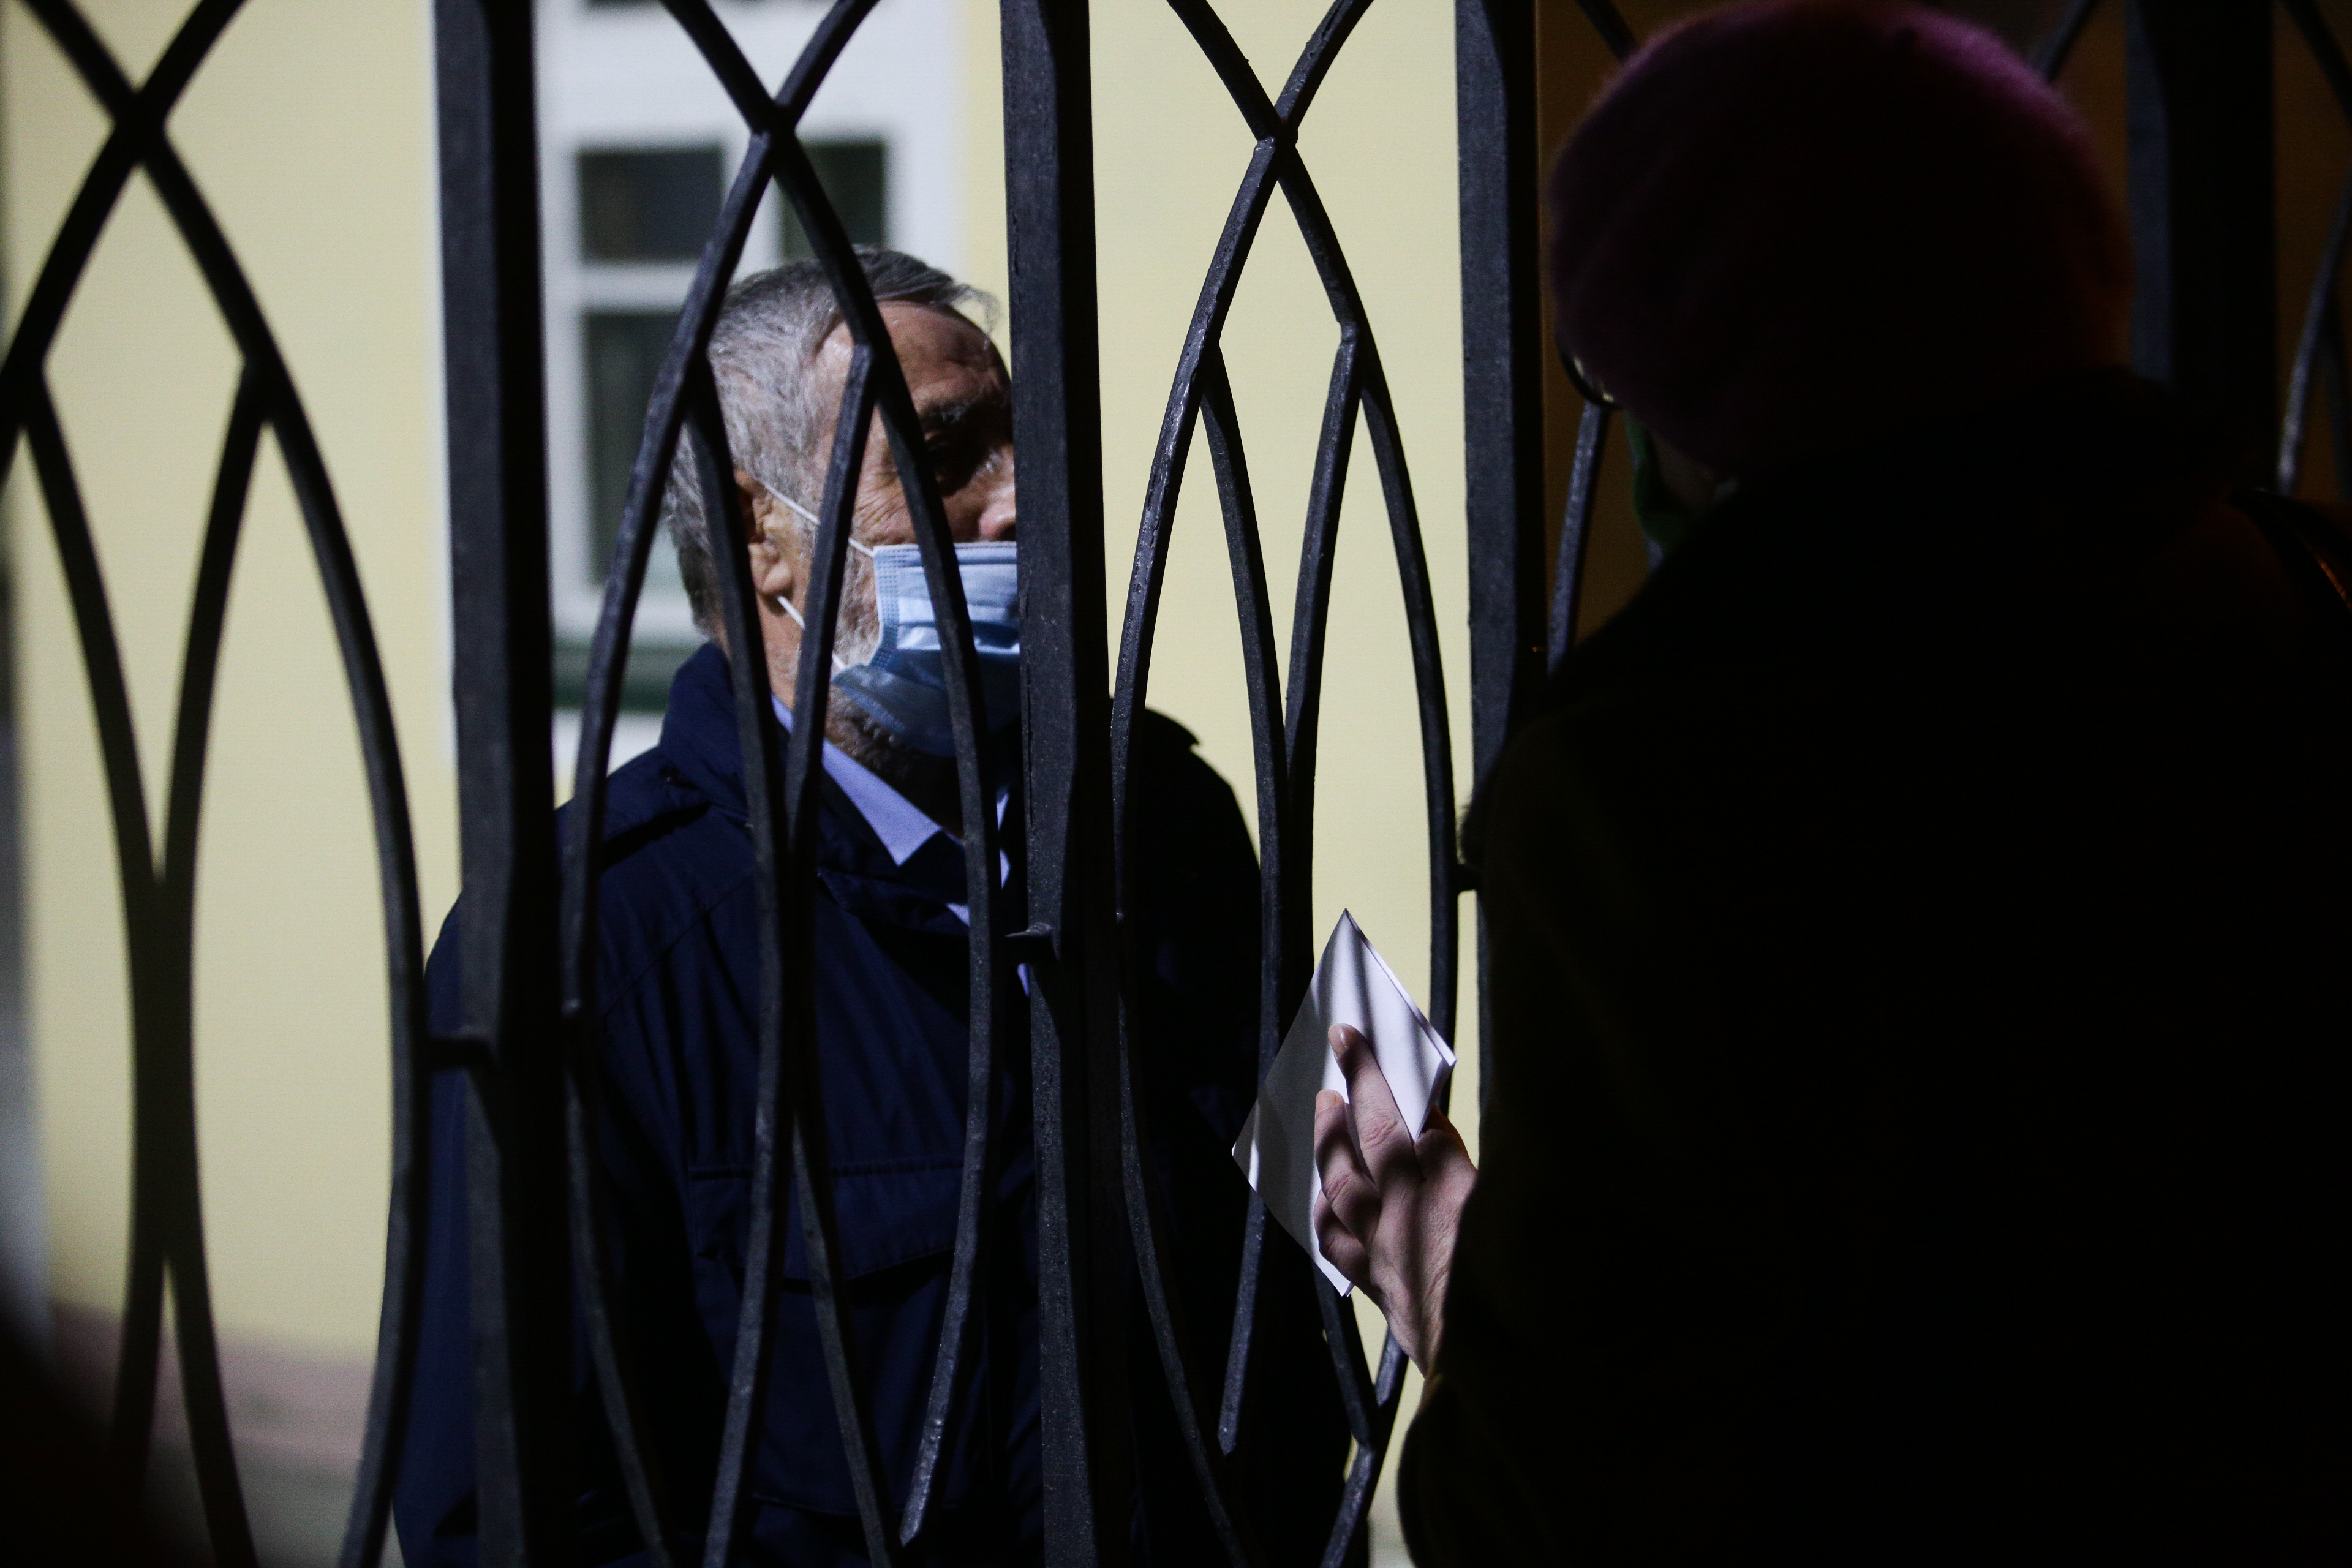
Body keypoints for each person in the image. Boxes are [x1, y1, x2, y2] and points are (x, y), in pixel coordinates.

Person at [1313, 3, 2352, 1558]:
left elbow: (1579, 1487)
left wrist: (1438, 1260)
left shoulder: (1657, 788)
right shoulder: (2301, 608)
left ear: (1684, 376)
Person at [396, 250, 1346, 1566]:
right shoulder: (595, 944)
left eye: (1026, 443)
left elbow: (1304, 1289)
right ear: (760, 532)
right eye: (944, 456)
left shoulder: (1163, 822)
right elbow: (513, 1511)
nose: (1023, 501)